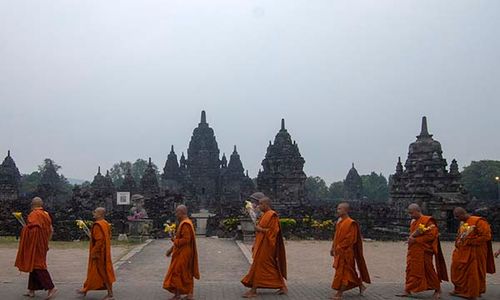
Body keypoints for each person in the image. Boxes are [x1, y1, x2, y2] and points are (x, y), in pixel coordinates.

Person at [396, 204, 448, 299]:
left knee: (429, 270)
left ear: (417, 211)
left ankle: (437, 289)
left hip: (424, 251)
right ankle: (408, 289)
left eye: (411, 213)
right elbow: (413, 234)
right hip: (413, 250)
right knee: (410, 270)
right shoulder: (413, 222)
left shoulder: (428, 221)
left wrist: (416, 240)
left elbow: (432, 236)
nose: (410, 215)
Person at [241, 192, 287, 298]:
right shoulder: (265, 215)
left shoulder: (272, 215)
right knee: (270, 267)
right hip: (262, 244)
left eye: (260, 205)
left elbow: (273, 232)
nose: (258, 206)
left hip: (267, 246)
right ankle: (282, 286)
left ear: (266, 205)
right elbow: (262, 227)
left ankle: (253, 290)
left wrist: (259, 229)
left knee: (259, 267)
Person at [14, 197, 58, 299]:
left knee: (38, 265)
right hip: (42, 243)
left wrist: (25, 229)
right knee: (33, 265)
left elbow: (33, 231)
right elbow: (51, 230)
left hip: (36, 244)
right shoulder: (46, 215)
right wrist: (47, 242)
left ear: (32, 205)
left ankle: (51, 287)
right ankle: (31, 290)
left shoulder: (34, 214)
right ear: (41, 205)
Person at [450, 207, 496, 300]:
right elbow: (460, 236)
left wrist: (470, 241)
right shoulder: (463, 223)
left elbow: (486, 236)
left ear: (463, 213)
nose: (456, 218)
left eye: (457, 216)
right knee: (456, 268)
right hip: (462, 251)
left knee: (473, 272)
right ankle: (460, 290)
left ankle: (473, 292)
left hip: (475, 252)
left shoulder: (479, 221)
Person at [330, 202, 370, 300]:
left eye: (339, 209)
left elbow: (351, 239)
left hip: (346, 252)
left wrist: (340, 247)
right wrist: (333, 247)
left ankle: (339, 294)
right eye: (337, 208)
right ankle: (361, 285)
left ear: (346, 210)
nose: (337, 210)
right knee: (349, 272)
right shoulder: (340, 222)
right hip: (339, 252)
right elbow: (336, 237)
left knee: (345, 273)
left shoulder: (351, 223)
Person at [77, 207, 116, 300]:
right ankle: (85, 289)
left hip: (99, 253)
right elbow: (108, 236)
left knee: (103, 272)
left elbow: (99, 240)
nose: (93, 213)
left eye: (95, 212)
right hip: (105, 252)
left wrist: (95, 252)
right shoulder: (105, 223)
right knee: (94, 270)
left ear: (100, 214)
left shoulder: (98, 225)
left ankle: (110, 294)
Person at [163, 205, 200, 300]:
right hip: (181, 251)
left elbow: (186, 240)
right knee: (185, 273)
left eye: (177, 212)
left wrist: (174, 240)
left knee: (177, 272)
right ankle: (188, 294)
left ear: (182, 212)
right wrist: (171, 250)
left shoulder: (186, 224)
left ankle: (178, 295)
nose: (176, 214)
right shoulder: (184, 223)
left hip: (184, 253)